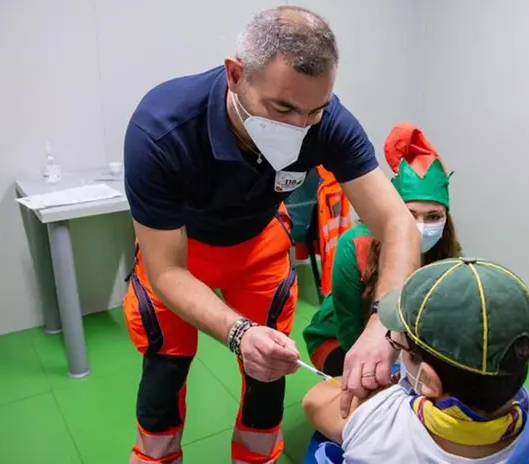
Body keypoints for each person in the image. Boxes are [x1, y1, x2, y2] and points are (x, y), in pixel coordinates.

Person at [122, 6, 419, 463]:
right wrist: (237, 331)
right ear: (236, 75)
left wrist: (382, 325)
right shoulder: (162, 129)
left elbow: (397, 223)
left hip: (257, 247)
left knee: (268, 367)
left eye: (313, 111)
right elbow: (164, 268)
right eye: (281, 108)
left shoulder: (328, 123)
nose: (298, 127)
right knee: (166, 365)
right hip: (180, 254)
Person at [302, 257, 529, 463]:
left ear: (430, 382)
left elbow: (315, 401)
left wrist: (378, 394)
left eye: (400, 345)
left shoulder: (379, 424)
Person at [303, 123, 461, 377]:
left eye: (433, 217)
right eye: (410, 215)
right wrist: (392, 365)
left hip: (401, 338)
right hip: (339, 339)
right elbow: (349, 331)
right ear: (393, 214)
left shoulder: (445, 255)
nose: (420, 227)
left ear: (446, 219)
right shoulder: (354, 247)